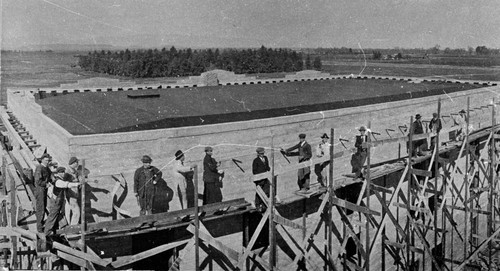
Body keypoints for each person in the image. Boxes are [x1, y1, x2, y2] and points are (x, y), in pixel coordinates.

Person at [44, 167, 81, 236]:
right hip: (56, 201)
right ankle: (47, 231)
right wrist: (77, 184)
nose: (63, 173)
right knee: (52, 215)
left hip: (58, 201)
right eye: (62, 172)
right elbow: (66, 185)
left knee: (55, 215)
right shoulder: (58, 181)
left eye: (64, 172)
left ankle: (54, 229)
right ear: (58, 173)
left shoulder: (58, 179)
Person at [34, 153, 52, 233]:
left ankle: (41, 224)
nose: (47, 162)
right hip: (40, 190)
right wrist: (46, 184)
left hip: (44, 189)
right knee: (40, 208)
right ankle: (39, 228)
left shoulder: (46, 168)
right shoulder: (39, 168)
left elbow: (50, 177)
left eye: (48, 160)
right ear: (42, 160)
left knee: (43, 207)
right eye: (46, 160)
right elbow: (38, 181)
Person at [252, 147, 270, 212]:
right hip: (259, 180)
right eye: (261, 154)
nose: (262, 154)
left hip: (265, 178)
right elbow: (254, 171)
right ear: (258, 154)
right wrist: (260, 176)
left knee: (266, 191)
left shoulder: (265, 158)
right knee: (259, 193)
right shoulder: (255, 160)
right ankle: (257, 205)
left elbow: (267, 167)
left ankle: (264, 205)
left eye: (263, 153)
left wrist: (269, 169)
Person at [64, 157, 81, 225]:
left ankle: (73, 226)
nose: (77, 164)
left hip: (75, 194)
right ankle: (73, 228)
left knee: (75, 211)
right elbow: (65, 184)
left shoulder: (74, 171)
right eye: (77, 162)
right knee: (76, 211)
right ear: (73, 163)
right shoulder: (68, 172)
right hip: (71, 194)